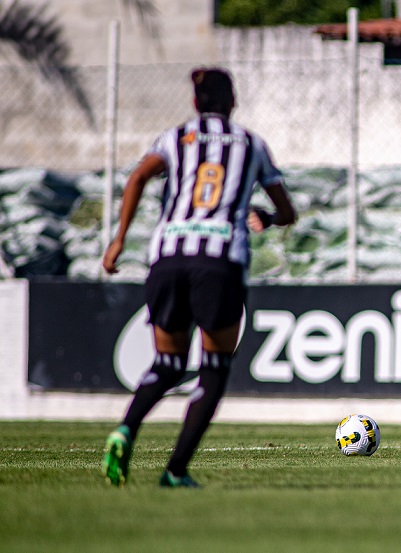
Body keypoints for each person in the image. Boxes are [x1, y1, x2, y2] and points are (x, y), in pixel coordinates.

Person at [101, 67, 296, 487]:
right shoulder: (251, 144)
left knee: (168, 363)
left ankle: (125, 429)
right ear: (233, 102)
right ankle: (175, 470)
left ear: (195, 102)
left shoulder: (175, 138)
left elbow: (136, 177)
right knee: (213, 367)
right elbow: (288, 211)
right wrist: (267, 216)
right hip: (219, 260)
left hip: (168, 257)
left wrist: (117, 241)